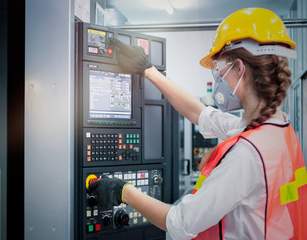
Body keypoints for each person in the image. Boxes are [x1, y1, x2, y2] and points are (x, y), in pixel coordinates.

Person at [88, 8, 307, 240]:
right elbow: (199, 113)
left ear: (240, 68)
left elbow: (181, 222)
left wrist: (123, 191)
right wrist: (148, 71)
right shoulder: (279, 129)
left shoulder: (247, 153)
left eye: (219, 68)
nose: (218, 77)